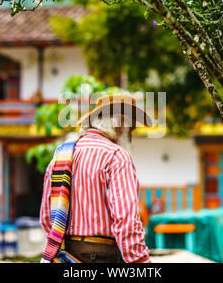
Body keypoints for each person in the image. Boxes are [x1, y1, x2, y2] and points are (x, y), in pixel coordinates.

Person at [40, 94, 152, 263]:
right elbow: (126, 220)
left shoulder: (61, 154)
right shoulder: (116, 156)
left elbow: (47, 217)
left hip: (67, 253)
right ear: (120, 125)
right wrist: (140, 261)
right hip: (104, 255)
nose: (131, 136)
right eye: (131, 129)